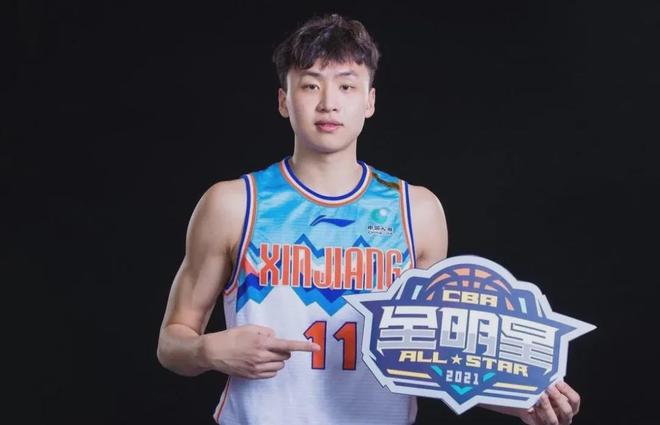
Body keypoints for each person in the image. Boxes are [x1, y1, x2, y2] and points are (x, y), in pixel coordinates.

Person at [157, 13, 581, 425]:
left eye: (346, 86)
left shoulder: (416, 211)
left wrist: (516, 400)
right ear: (284, 100)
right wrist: (209, 351)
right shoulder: (234, 204)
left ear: (369, 101)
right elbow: (171, 342)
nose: (328, 103)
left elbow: (435, 357)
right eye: (310, 85)